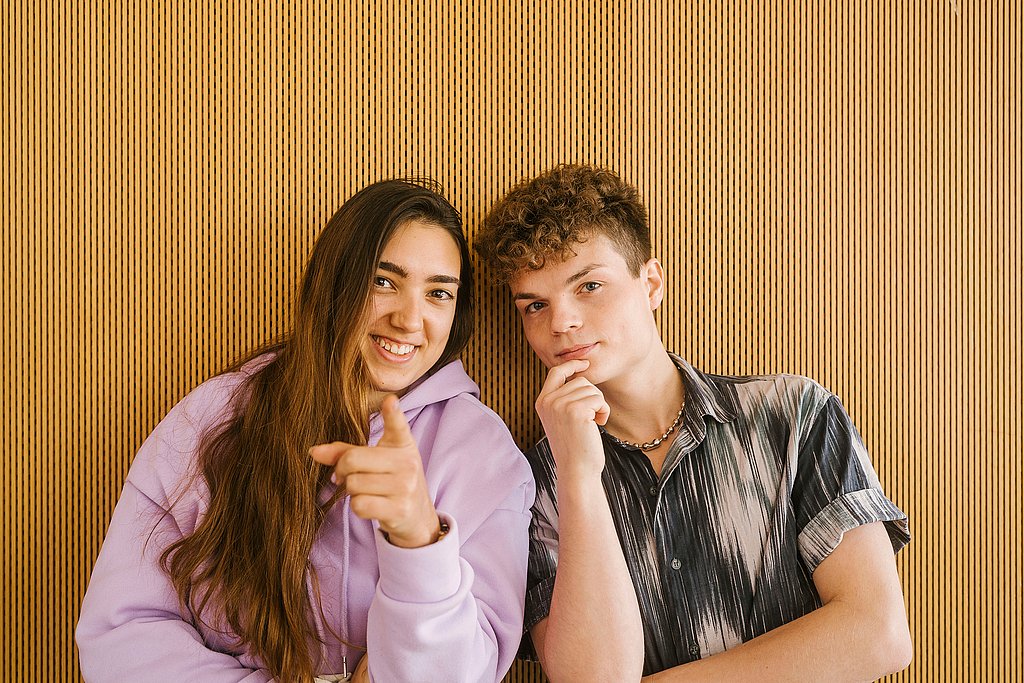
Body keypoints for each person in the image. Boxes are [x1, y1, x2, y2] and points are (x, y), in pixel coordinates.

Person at [77, 179, 535, 683]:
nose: (409, 319)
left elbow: (467, 673)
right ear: (335, 280)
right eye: (383, 281)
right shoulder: (214, 416)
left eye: (438, 293)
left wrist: (419, 542)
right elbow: (121, 634)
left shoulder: (486, 455)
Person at [473, 164, 913, 682]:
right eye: (534, 305)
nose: (561, 323)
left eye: (589, 285)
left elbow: (876, 633)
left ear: (651, 284)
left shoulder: (792, 415)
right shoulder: (532, 481)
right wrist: (577, 476)